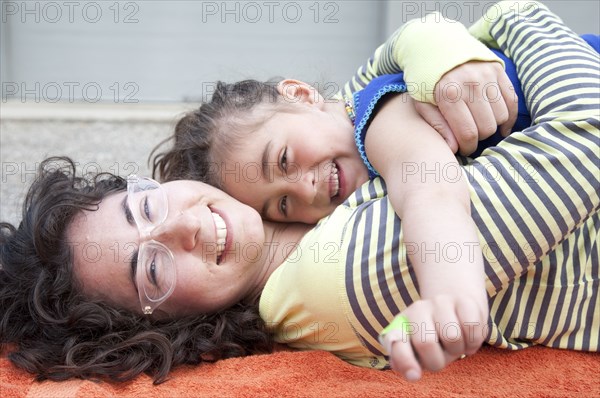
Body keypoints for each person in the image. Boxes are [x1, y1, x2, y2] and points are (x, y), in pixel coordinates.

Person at [1, 0, 598, 385]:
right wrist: (519, 20)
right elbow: (583, 138)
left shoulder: (362, 117)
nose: (181, 227)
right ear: (160, 324)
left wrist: (433, 41)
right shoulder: (337, 276)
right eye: (150, 269)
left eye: (147, 206)